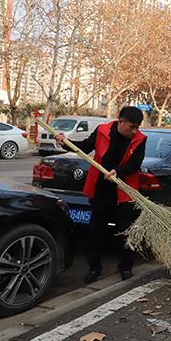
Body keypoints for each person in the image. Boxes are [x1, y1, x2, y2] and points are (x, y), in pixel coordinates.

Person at [55, 106, 147, 283]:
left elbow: (136, 164)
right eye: (131, 127)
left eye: (137, 127)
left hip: (124, 192)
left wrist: (117, 172)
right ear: (120, 122)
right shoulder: (103, 131)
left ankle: (126, 267)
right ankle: (94, 268)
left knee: (126, 233)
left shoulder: (140, 140)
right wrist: (66, 141)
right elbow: (85, 147)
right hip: (101, 190)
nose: (134, 131)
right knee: (96, 231)